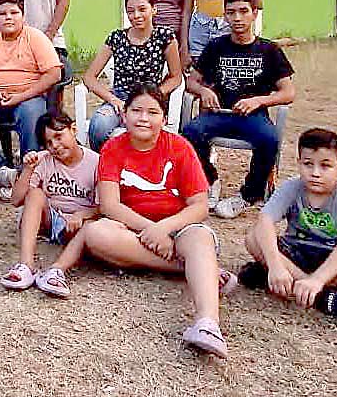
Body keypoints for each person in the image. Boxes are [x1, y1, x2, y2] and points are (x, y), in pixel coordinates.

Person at [83, 84, 237, 358]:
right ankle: (200, 269)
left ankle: (207, 324)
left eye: (152, 112)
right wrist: (151, 230)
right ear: (124, 115)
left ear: (164, 119)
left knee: (200, 238)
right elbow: (109, 205)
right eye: (136, 111)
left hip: (179, 227)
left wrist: (164, 229)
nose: (144, 118)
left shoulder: (180, 147)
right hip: (133, 231)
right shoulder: (112, 148)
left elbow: (200, 206)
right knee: (96, 234)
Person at [240, 128, 337, 330]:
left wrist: (318, 280)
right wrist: (275, 265)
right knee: (252, 239)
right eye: (308, 164)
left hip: (330, 258)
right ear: (298, 163)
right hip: (294, 252)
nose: (315, 173)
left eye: (325, 165)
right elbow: (264, 221)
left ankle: (282, 279)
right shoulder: (291, 187)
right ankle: (327, 299)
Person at [182, 0, 296, 219]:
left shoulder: (269, 50)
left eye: (243, 11)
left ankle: (249, 195)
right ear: (225, 16)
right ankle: (209, 181)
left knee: (269, 139)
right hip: (219, 112)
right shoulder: (216, 46)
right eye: (231, 12)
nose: (237, 18)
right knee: (190, 132)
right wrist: (204, 91)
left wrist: (259, 100)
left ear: (254, 14)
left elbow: (288, 92)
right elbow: (191, 82)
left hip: (252, 115)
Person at [0, 0, 62, 201]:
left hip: (28, 96)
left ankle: (28, 171)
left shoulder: (35, 37)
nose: (8, 17)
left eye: (14, 12)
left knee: (31, 113)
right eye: (2, 13)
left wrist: (20, 96)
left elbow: (54, 73)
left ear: (23, 16)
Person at [0, 111, 99, 298]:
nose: (55, 146)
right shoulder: (44, 160)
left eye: (59, 136)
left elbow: (104, 206)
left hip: (79, 223)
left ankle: (57, 271)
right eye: (49, 143)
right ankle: (26, 265)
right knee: (35, 194)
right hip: (51, 218)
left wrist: (83, 214)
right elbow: (16, 200)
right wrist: (28, 169)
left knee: (94, 226)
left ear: (73, 130)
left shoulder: (96, 162)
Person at [83, 0, 182, 151]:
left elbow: (176, 77)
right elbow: (89, 77)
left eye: (142, 9)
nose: (136, 15)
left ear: (154, 10)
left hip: (150, 98)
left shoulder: (164, 36)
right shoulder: (117, 37)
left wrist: (156, 94)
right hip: (121, 98)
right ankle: (104, 162)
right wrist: (113, 99)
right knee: (99, 125)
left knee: (149, 133)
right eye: (130, 11)